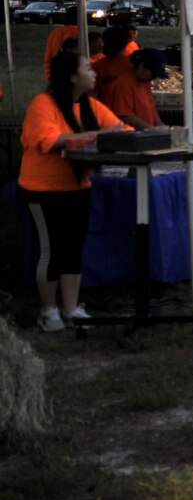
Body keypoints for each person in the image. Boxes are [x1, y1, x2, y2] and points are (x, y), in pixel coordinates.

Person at [20, 53, 131, 330]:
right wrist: (99, 136)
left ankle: (71, 308)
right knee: (51, 250)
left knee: (72, 249)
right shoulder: (42, 104)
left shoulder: (91, 106)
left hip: (79, 187)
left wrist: (117, 134)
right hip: (43, 189)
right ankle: (48, 310)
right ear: (71, 76)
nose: (94, 73)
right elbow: (53, 139)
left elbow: (121, 129)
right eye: (87, 68)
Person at [98, 47, 166, 129]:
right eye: (153, 74)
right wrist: (151, 130)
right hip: (130, 137)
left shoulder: (145, 83)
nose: (153, 78)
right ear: (142, 66)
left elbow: (152, 110)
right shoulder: (123, 85)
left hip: (146, 135)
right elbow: (125, 117)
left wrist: (162, 128)